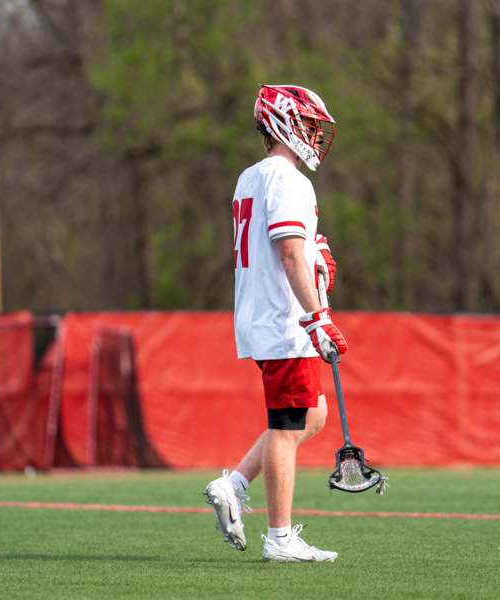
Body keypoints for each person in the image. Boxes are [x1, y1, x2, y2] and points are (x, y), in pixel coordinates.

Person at [204, 84, 347, 563]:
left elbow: (289, 242)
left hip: (261, 315)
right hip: (283, 319)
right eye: (307, 124)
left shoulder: (251, 176)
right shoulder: (289, 180)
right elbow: (286, 250)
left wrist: (315, 247)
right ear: (284, 123)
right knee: (286, 426)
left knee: (314, 414)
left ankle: (235, 482)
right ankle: (281, 538)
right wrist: (317, 316)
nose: (313, 134)